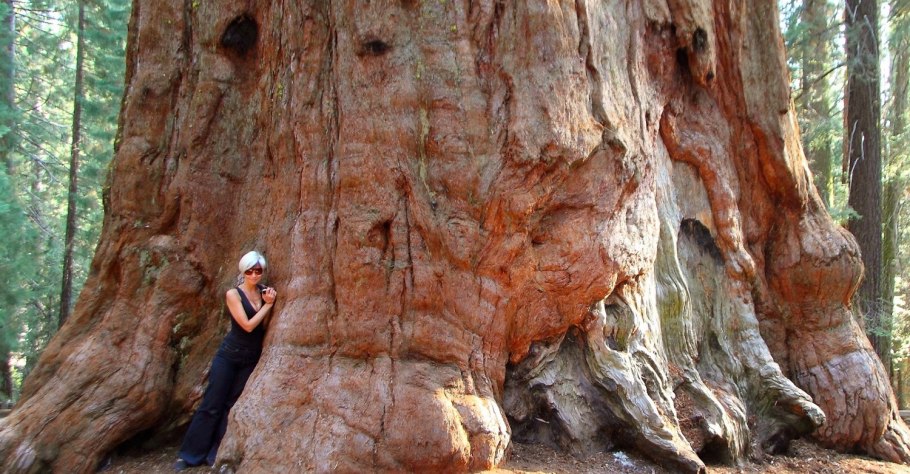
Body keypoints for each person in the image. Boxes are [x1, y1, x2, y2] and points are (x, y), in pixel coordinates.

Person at [174, 251, 277, 470]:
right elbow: (247, 326)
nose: (254, 275)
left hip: (250, 357)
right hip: (229, 355)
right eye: (249, 271)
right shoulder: (234, 294)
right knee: (212, 404)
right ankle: (190, 455)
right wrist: (268, 305)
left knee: (231, 405)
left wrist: (268, 303)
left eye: (258, 271)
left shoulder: (264, 293)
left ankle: (215, 453)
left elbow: (264, 326)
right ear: (243, 272)